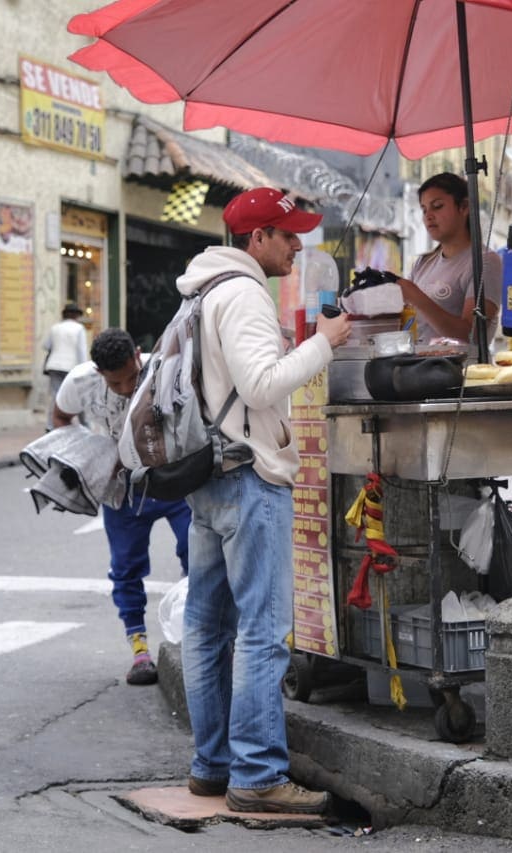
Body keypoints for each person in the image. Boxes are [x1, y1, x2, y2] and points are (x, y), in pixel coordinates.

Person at [176, 187, 351, 814]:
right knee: (261, 632)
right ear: (257, 238)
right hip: (249, 476)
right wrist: (323, 342)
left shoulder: (201, 291)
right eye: (286, 233)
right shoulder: (245, 293)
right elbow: (260, 385)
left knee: (205, 628)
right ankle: (257, 777)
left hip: (207, 475)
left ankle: (212, 766)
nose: (297, 245)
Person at [53, 327, 192, 685]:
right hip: (121, 490)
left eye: (131, 377)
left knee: (197, 552)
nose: (127, 387)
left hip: (170, 480)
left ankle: (194, 632)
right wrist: (85, 455)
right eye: (115, 383)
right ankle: (139, 649)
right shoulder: (80, 382)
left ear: (138, 356)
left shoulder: (162, 372)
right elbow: (60, 416)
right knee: (127, 567)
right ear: (99, 373)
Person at [395, 172, 501, 346]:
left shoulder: (484, 261)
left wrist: (416, 297)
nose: (428, 216)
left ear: (464, 207)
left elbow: (472, 334)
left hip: (460, 363)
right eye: (424, 209)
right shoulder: (424, 263)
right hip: (418, 361)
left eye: (437, 206)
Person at [42, 302, 89, 431]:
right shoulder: (79, 328)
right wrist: (84, 369)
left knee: (55, 395)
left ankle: (50, 425)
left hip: (54, 366)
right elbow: (81, 350)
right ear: (76, 315)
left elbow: (46, 345)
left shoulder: (55, 327)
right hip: (71, 367)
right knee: (77, 394)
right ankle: (84, 424)